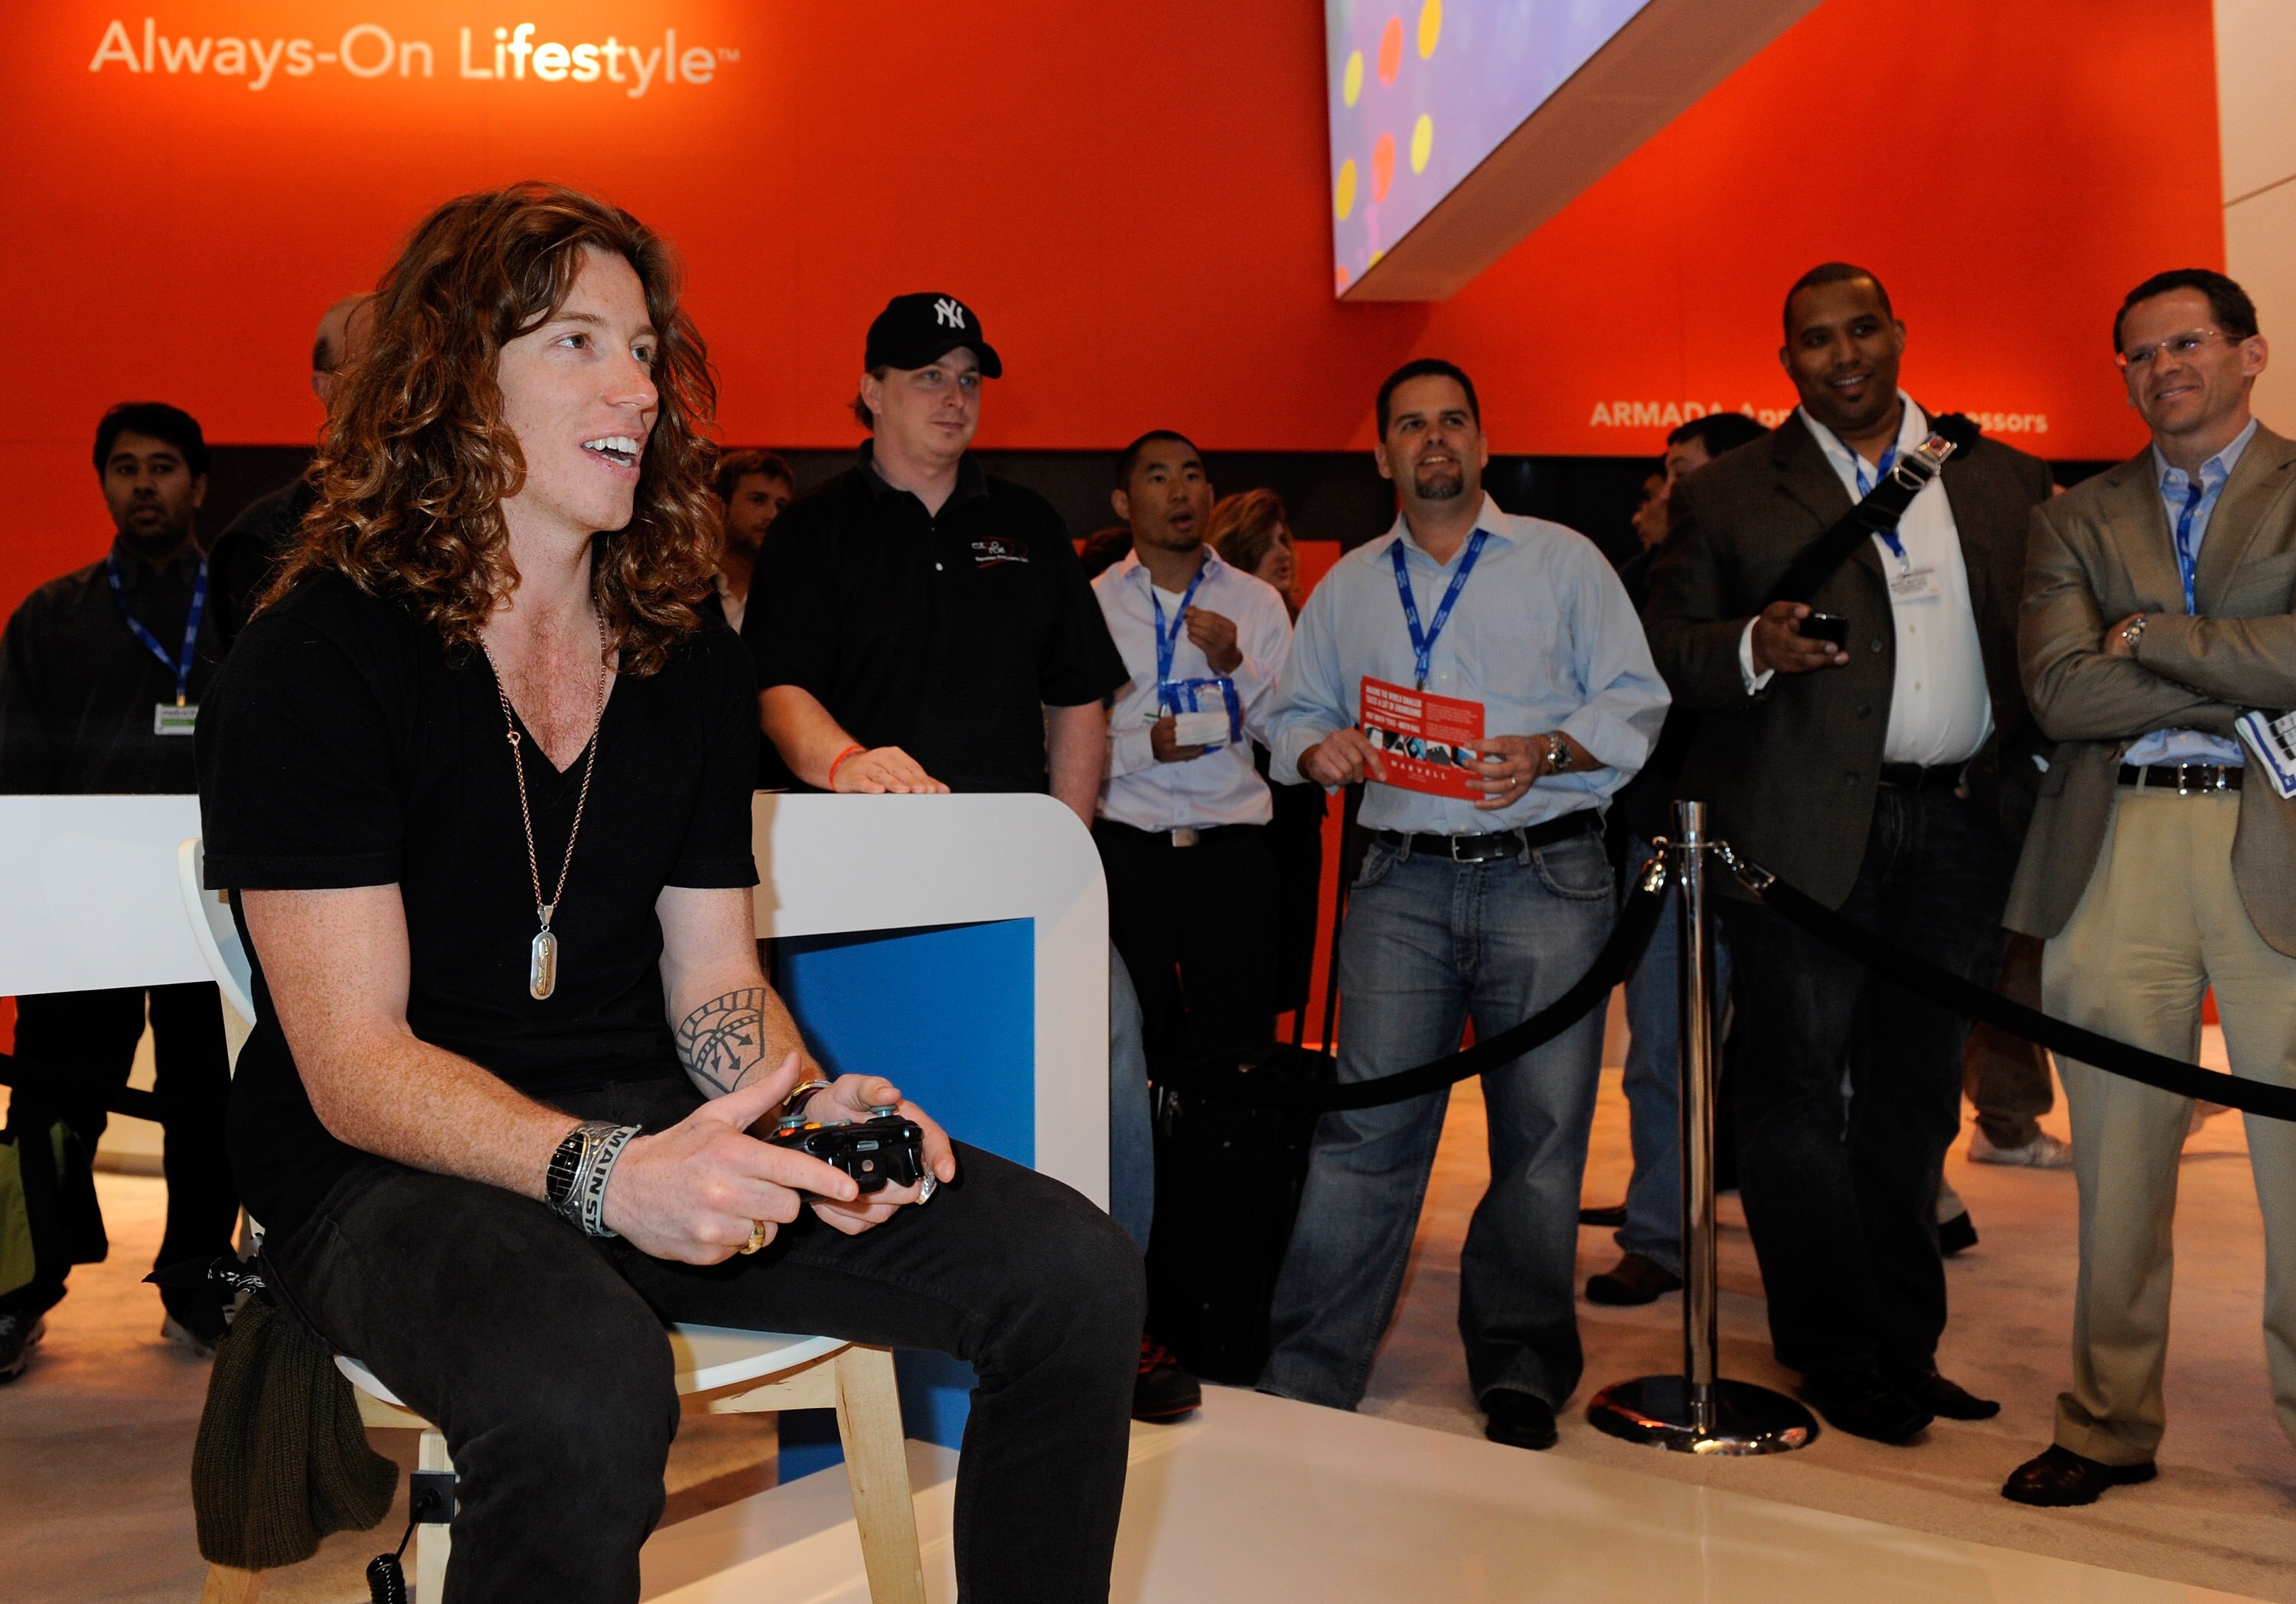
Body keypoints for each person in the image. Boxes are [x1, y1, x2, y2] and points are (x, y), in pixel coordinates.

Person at [194, 184, 1141, 1602]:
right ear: (456, 378)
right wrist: (605, 1175)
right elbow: (354, 1066)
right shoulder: (317, 657)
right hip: (385, 1170)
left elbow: (711, 980)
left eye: (642, 347)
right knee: (585, 1388)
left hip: (652, 1120)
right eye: (577, 342)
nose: (635, 384)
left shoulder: (679, 643)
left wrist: (805, 1105)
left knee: (1072, 1273)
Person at [740, 294, 1179, 1417]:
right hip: (845, 888)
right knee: (855, 1088)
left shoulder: (1028, 525)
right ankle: (848, 1344)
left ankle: (1112, 1318)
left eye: (968, 376)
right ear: (872, 391)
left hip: (1017, 880)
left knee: (1110, 1060)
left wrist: (1065, 849)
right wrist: (845, 764)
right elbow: (779, 687)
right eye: (927, 374)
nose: (953, 395)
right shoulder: (815, 529)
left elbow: (1077, 697)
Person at [1644, 263, 2053, 1444]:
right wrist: (1753, 647)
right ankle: (1830, 1346)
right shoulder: (1727, 494)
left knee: (1916, 1098)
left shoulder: (2008, 483)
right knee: (1791, 1094)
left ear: (1901, 333)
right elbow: (1671, 648)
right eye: (1815, 339)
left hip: (1961, 831)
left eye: (1861, 327)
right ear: (1788, 364)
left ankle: (1905, 1345)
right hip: (1798, 838)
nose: (1844, 354)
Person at [1259, 358, 1668, 1452]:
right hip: (1398, 882)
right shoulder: (1348, 586)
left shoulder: (1565, 564)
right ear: (1384, 454)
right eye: (1410, 426)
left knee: (1540, 1142)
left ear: (1483, 445)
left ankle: (1522, 1367)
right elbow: (1289, 714)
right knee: (1367, 1131)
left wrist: (1545, 750)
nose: (1433, 441)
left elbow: (1637, 700)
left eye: (1452, 422)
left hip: (1551, 876)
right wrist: (1320, 748)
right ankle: (1309, 1370)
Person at [2001, 268, 2296, 1506]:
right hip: (2114, 848)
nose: (2162, 366)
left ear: (2250, 352)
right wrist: (2250, 674)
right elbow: (2060, 694)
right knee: (2118, 1157)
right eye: (2139, 353)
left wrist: (2149, 636)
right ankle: (2108, 1420)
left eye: (2186, 343)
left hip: (2277, 846)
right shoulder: (2074, 515)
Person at [0, 403, 238, 1379]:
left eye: (164, 466)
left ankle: (198, 1278)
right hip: (81, 905)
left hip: (205, 897)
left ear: (198, 484)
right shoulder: (51, 618)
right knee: (53, 1099)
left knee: (208, 1097)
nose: (143, 484)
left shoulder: (239, 609)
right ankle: (18, 1288)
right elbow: (12, 770)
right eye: (125, 468)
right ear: (102, 482)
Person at [1093, 433, 1291, 1405]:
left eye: (1195, 474)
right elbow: (1076, 732)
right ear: (1124, 499)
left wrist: (1237, 662)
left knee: (1231, 1085)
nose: (1182, 491)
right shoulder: (1093, 604)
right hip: (1127, 864)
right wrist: (1144, 742)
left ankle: (1222, 1308)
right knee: (1128, 1086)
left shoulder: (1254, 603)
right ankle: (1136, 1308)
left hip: (1231, 865)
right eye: (1159, 476)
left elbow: (1290, 727)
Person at [1582, 409, 1765, 1307]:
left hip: (1785, 849)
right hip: (1665, 843)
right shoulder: (1635, 582)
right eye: (1666, 473)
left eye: (1684, 471)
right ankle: (1661, 1234)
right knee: (1660, 1052)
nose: (1665, 490)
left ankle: (1812, 1243)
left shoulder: (1783, 566)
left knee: (1801, 1062)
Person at [1210, 487, 1326, 1026]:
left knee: (1283, 968)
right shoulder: (1211, 623)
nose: (1283, 553)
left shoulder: (1308, 622)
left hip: (1298, 812)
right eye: (1266, 542)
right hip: (1235, 813)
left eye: (1286, 540)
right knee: (1234, 976)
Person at [208, 295, 373, 643]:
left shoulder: (462, 517)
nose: (394, 389)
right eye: (367, 370)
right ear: (324, 388)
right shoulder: (264, 539)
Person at [705, 447, 794, 631]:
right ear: (719, 506)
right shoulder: (686, 587)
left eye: (781, 505)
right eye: (758, 500)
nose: (772, 515)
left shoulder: (792, 592)